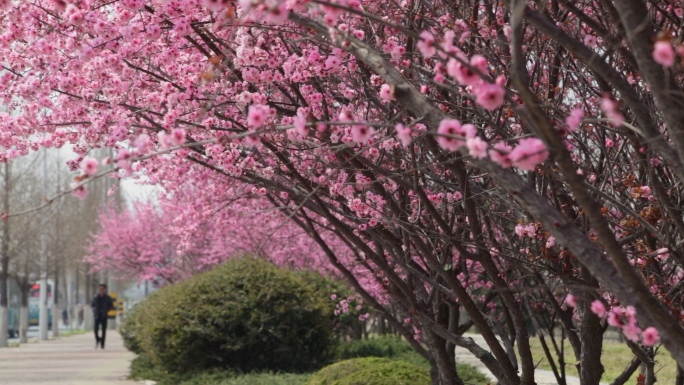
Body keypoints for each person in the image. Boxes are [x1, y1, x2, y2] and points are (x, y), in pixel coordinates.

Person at [91, 284, 114, 349]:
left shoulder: (108, 298)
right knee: (95, 329)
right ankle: (98, 339)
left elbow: (111, 306)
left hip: (104, 315)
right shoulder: (95, 297)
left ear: (104, 290)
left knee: (104, 330)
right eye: (99, 289)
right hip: (97, 315)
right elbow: (92, 305)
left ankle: (102, 344)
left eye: (102, 289)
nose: (100, 291)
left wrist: (106, 310)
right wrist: (95, 310)